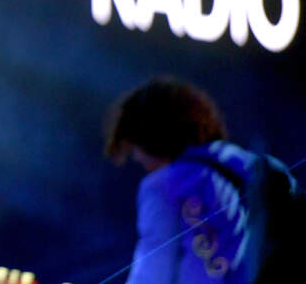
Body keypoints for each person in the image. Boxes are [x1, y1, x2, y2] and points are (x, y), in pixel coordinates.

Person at [105, 76, 302, 284]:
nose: (136, 157)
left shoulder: (162, 185)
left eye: (134, 147)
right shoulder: (264, 166)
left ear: (150, 136)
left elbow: (153, 271)